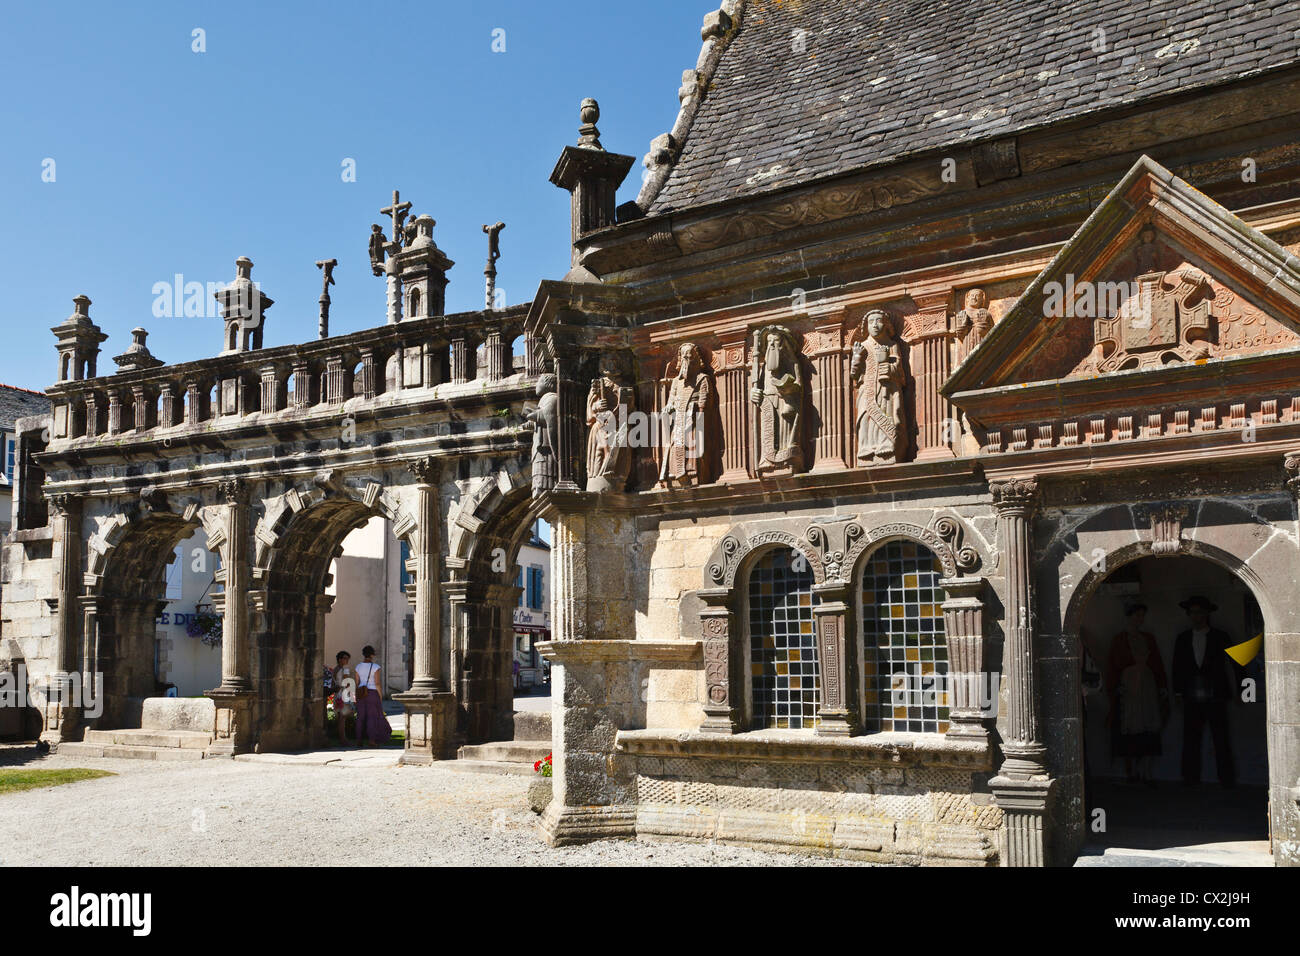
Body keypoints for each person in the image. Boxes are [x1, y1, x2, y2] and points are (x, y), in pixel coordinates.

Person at [1171, 595, 1239, 787]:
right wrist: (1177, 693)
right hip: (1191, 695)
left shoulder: (1220, 636)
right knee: (1191, 738)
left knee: (1221, 738)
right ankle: (1190, 779)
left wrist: (1242, 689)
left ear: (1207, 614)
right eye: (1193, 612)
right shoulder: (1183, 638)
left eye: (1200, 612)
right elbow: (1176, 667)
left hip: (1216, 694)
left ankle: (1226, 779)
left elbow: (1237, 664)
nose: (1196, 616)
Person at [1104, 602, 1168, 786]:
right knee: (1128, 726)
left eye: (1142, 616)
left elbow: (1157, 663)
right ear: (1129, 616)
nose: (1139, 619)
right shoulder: (1119, 640)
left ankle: (1146, 771)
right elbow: (1112, 666)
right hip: (1128, 688)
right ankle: (1130, 770)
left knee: (1149, 724)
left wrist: (1162, 685)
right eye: (1136, 615)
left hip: (1147, 688)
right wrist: (1115, 687)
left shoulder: (1148, 638)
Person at [354, 645, 387, 747]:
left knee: (360, 717)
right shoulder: (375, 667)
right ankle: (371, 741)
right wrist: (380, 695)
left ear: (363, 654)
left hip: (361, 693)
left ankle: (359, 740)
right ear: (372, 655)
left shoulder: (358, 667)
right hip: (372, 692)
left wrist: (356, 695)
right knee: (372, 717)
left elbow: (357, 682)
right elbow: (377, 683)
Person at [332, 651, 356, 746]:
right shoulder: (344, 669)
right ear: (340, 659)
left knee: (341, 717)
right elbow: (347, 683)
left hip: (338, 693)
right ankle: (343, 739)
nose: (347, 660)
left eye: (348, 658)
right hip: (344, 694)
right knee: (343, 718)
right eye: (345, 658)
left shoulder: (335, 669)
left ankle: (342, 738)